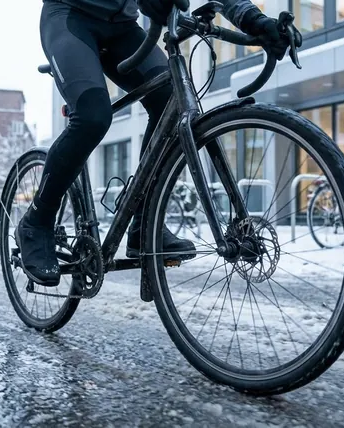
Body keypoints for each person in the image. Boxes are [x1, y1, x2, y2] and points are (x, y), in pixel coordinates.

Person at [18, 0, 292, 285]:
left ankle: (143, 222)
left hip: (122, 29)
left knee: (169, 99)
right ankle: (36, 222)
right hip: (71, 16)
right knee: (92, 117)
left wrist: (253, 20)